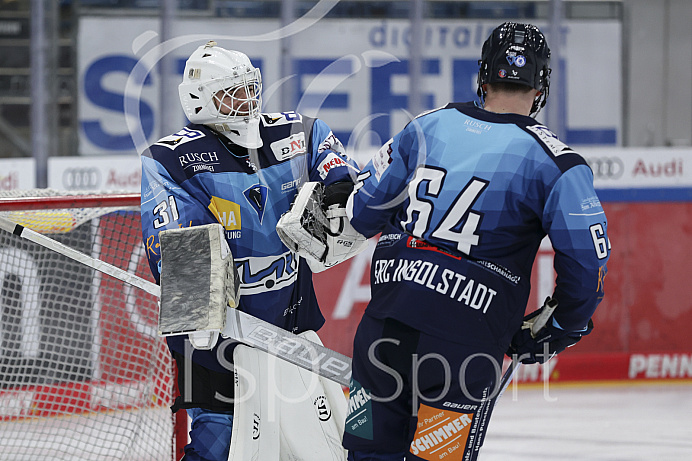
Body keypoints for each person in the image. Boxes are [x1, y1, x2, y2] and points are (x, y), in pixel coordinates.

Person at [341, 22, 610, 460]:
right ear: (541, 86)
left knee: (365, 456)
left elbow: (363, 211)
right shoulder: (557, 163)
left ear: (483, 74)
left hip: (381, 339)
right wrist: (555, 329)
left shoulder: (425, 127)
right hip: (460, 351)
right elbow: (587, 271)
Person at [140, 41, 358, 461]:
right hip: (218, 337)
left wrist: (338, 185)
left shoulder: (297, 131)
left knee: (308, 442)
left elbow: (332, 157)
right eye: (231, 92)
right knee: (216, 444)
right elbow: (174, 248)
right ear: (199, 100)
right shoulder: (169, 159)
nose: (247, 101)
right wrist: (197, 309)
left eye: (250, 88)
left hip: (288, 325)